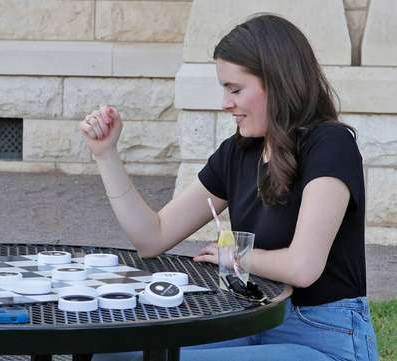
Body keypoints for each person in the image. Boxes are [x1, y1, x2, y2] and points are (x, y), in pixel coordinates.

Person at [81, 14, 378, 361]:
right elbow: (152, 237)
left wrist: (233, 256)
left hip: (323, 334)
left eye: (235, 89)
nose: (225, 103)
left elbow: (303, 267)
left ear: (278, 83)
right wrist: (106, 155)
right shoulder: (238, 152)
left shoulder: (331, 144)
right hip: (250, 320)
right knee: (112, 354)